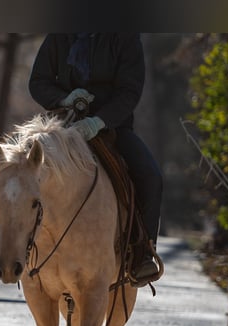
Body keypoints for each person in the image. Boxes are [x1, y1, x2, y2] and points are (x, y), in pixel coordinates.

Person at [28, 33, 163, 283]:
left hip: (111, 128)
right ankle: (4, 245)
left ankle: (142, 252)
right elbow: (38, 82)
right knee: (17, 168)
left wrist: (98, 121)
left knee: (151, 177)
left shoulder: (125, 37)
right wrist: (63, 99)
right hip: (61, 128)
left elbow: (129, 92)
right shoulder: (59, 34)